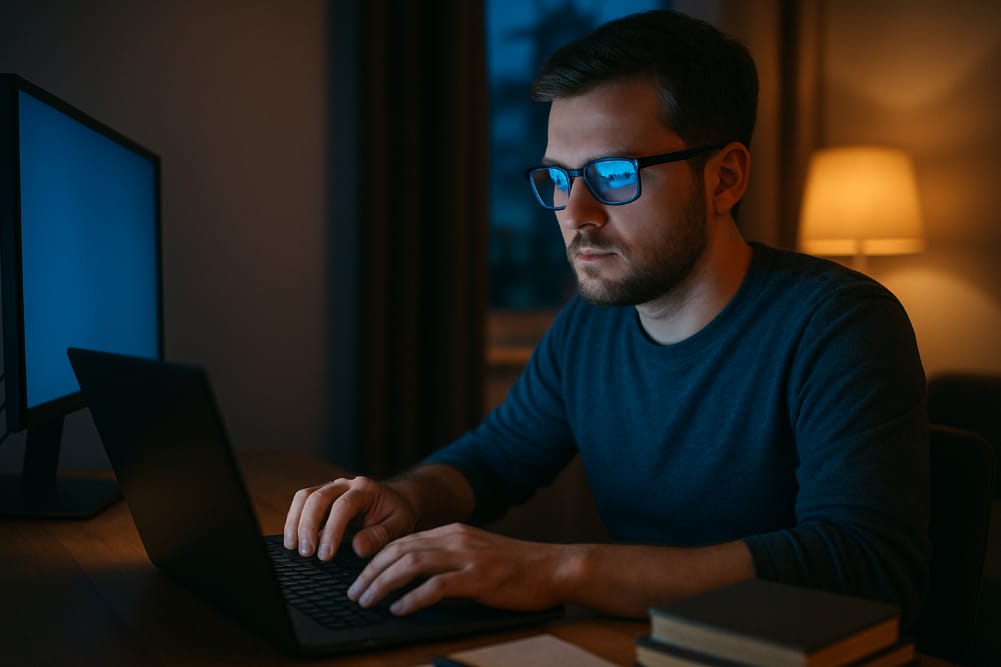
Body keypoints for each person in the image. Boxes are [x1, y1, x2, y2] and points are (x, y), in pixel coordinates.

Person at [284, 9, 930, 626]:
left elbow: (859, 560)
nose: (575, 211)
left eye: (614, 174)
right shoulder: (587, 327)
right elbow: (495, 459)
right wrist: (405, 498)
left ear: (724, 178)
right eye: (558, 178)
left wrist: (559, 570)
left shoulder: (837, 325)